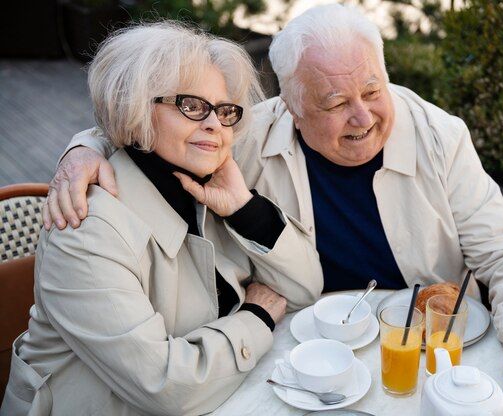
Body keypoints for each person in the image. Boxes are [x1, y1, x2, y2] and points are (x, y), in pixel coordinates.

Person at [43, 4, 503, 402]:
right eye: (335, 103)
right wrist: (85, 147)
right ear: (288, 107)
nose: (362, 117)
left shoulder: (438, 136)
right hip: (298, 355)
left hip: (417, 352)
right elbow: (149, 122)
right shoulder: (241, 134)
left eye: (373, 90)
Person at [0, 21, 323, 416]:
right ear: (134, 106)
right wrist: (255, 318)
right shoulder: (86, 229)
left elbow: (305, 288)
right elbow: (165, 386)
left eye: (224, 112)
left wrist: (246, 208)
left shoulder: (210, 182)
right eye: (191, 105)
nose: (214, 125)